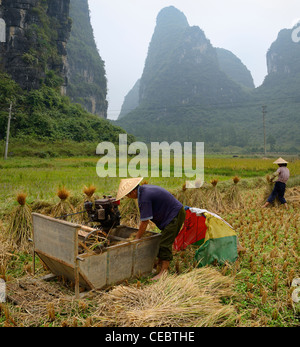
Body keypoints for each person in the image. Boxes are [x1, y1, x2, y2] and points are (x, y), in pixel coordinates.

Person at [116, 177, 186, 280]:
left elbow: (144, 222)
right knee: (164, 240)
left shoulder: (144, 197)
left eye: (128, 195)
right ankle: (160, 263)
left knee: (164, 244)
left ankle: (164, 272)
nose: (128, 197)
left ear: (133, 192)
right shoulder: (144, 190)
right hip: (174, 213)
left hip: (174, 215)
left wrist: (137, 238)